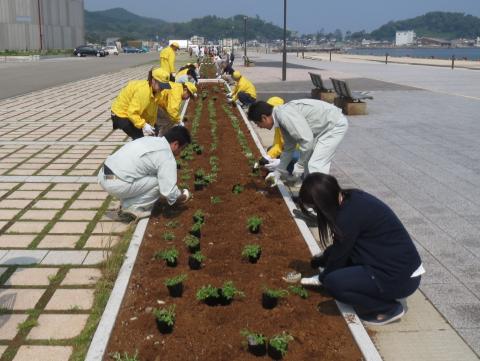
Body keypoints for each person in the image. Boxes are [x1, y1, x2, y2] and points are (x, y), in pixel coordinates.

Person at [298, 173, 424, 326]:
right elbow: (341, 247)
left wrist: (322, 277)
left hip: (400, 278)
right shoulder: (352, 198)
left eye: (315, 208)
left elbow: (339, 257)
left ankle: (387, 308)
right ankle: (377, 292)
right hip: (401, 267)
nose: (317, 212)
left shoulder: (347, 217)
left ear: (324, 203)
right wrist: (321, 259)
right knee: (337, 269)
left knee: (334, 283)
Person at [98, 126, 192, 222]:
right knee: (159, 182)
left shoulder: (152, 140)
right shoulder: (166, 156)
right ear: (176, 144)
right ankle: (132, 209)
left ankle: (126, 202)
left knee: (145, 175)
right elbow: (168, 190)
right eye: (182, 148)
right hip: (116, 183)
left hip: (104, 174)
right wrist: (181, 196)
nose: (181, 152)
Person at [247, 99, 348, 186]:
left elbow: (307, 141)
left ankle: (323, 202)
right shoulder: (280, 117)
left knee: (315, 164)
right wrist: (278, 172)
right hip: (325, 126)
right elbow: (289, 148)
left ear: (264, 118)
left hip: (334, 125)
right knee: (310, 163)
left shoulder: (284, 116)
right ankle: (311, 200)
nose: (259, 126)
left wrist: (300, 164)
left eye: (257, 123)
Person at [111, 68, 171, 140]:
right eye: (161, 85)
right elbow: (132, 113)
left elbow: (152, 111)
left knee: (142, 135)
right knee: (139, 139)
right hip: (120, 114)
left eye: (164, 86)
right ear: (153, 80)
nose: (162, 88)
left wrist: (153, 125)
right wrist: (144, 125)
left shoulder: (156, 92)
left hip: (130, 113)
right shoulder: (144, 92)